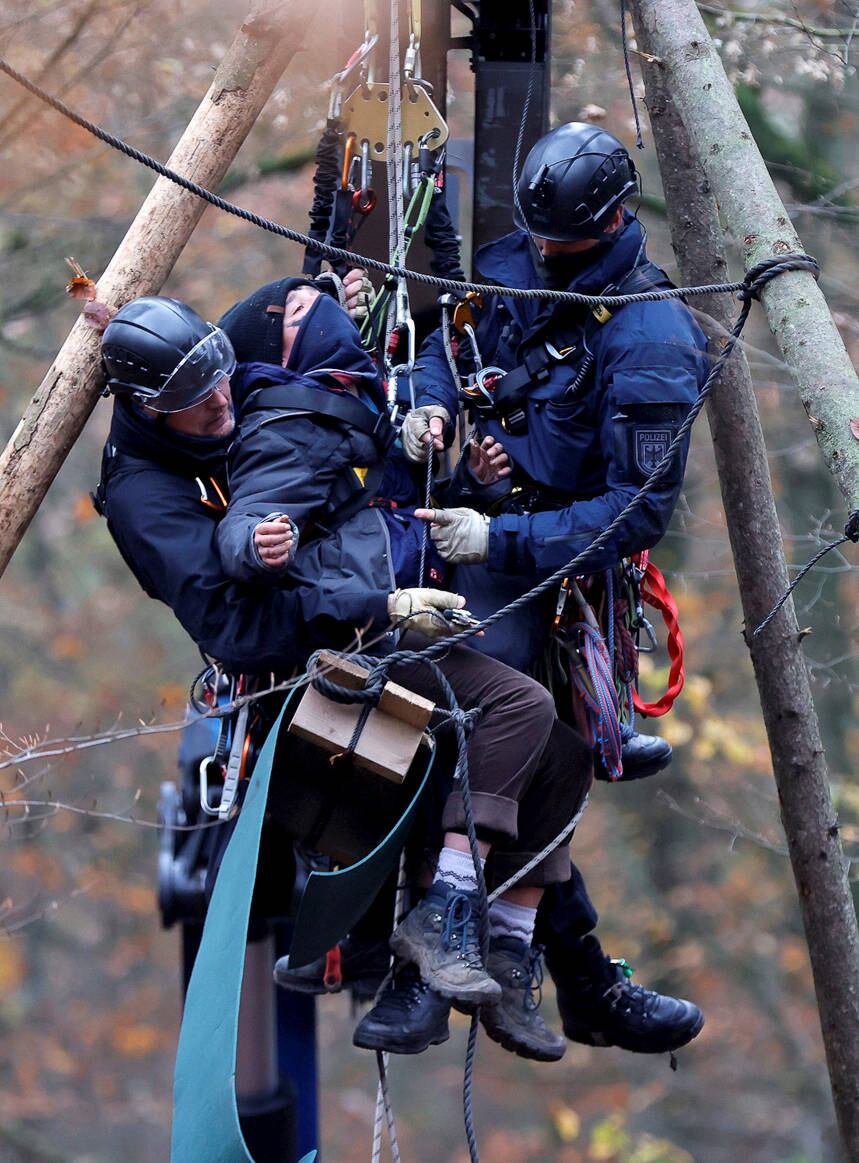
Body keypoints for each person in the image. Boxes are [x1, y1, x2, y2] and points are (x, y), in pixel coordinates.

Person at [97, 290, 594, 1063]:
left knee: (562, 754)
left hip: (364, 606)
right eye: (197, 401)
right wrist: (379, 602)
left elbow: (333, 453)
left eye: (223, 379)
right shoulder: (145, 497)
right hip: (311, 659)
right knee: (513, 707)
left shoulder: (239, 394)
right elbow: (236, 628)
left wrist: (434, 456)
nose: (222, 401)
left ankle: (503, 945)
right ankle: (446, 916)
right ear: (150, 409)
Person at [391, 122, 709, 1054]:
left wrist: (505, 532)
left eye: (557, 245)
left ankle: (523, 960)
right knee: (465, 720)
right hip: (454, 531)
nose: (539, 256)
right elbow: (440, 345)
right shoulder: (512, 257)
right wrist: (431, 407)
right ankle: (481, 966)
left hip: (550, 566)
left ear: (611, 218)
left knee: (528, 738)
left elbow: (635, 512)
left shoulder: (651, 338)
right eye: (534, 239)